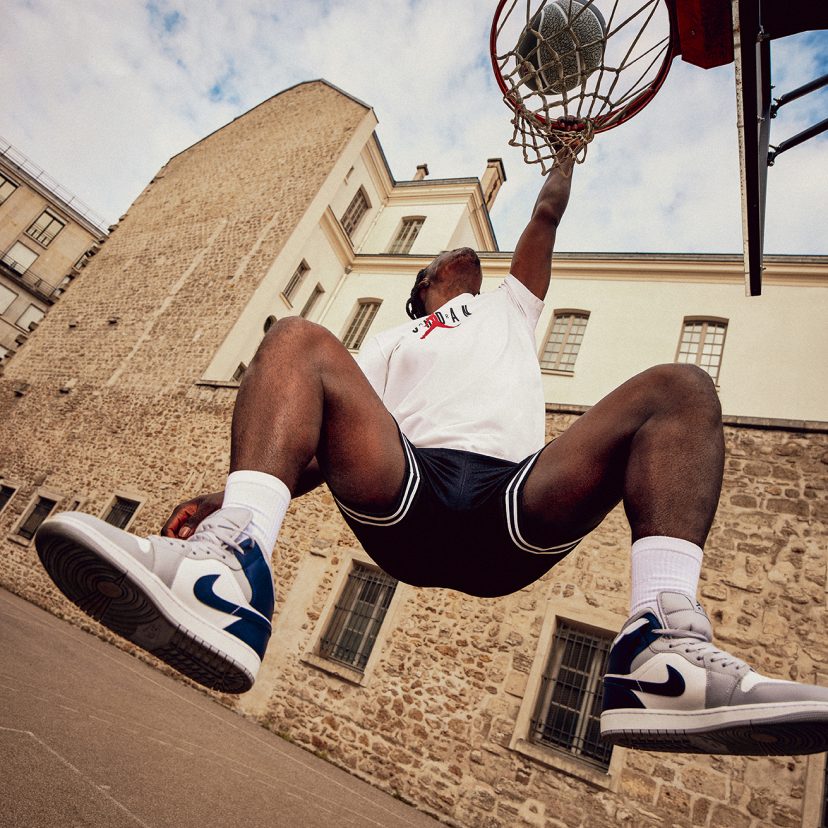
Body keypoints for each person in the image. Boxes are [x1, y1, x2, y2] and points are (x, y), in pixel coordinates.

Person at [36, 158, 828, 757]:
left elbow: (545, 217)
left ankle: (659, 648)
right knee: (298, 340)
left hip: (514, 501)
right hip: (410, 491)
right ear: (427, 284)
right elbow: (314, 436)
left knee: (682, 388)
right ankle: (228, 572)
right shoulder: (395, 338)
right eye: (452, 257)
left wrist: (564, 151)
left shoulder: (512, 308)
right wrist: (227, 495)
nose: (467, 256)